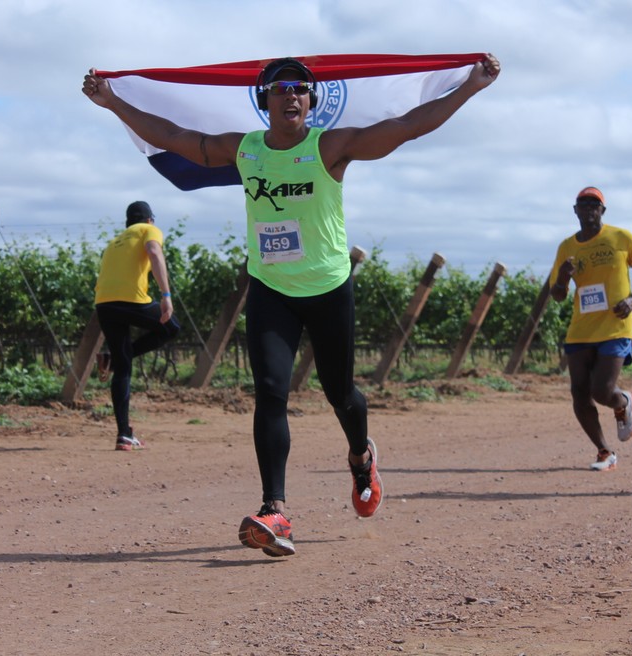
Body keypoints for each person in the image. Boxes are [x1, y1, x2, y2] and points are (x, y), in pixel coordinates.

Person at [83, 54, 501, 556]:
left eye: (300, 88)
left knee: (340, 392)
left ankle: (361, 457)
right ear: (264, 101)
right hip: (270, 288)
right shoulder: (247, 150)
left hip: (327, 288)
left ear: (311, 101)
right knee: (270, 393)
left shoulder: (331, 147)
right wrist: (113, 103)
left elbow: (407, 126)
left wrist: (471, 87)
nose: (291, 95)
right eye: (280, 89)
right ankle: (274, 510)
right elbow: (174, 135)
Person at [550, 187, 632, 472]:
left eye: (595, 205)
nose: (589, 209)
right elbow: (557, 294)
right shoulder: (567, 247)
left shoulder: (622, 238)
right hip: (581, 328)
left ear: (602, 211)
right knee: (579, 392)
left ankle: (622, 401)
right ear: (575, 210)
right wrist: (562, 276)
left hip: (616, 325)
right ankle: (604, 451)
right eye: (583, 204)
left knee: (602, 390)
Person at [94, 200, 181, 451]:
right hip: (132, 300)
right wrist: (166, 296)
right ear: (149, 220)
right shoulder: (149, 230)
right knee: (171, 327)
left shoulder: (114, 242)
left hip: (104, 303)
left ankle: (124, 435)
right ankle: (114, 358)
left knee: (123, 367)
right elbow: (154, 252)